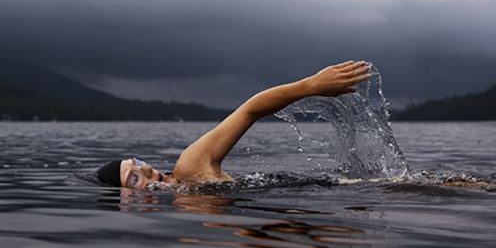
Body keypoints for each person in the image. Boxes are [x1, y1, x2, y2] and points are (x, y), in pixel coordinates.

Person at [97, 60, 371, 189]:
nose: (146, 169)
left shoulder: (190, 168)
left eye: (138, 162)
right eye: (133, 177)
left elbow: (249, 111)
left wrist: (310, 85)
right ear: (127, 201)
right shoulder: (186, 207)